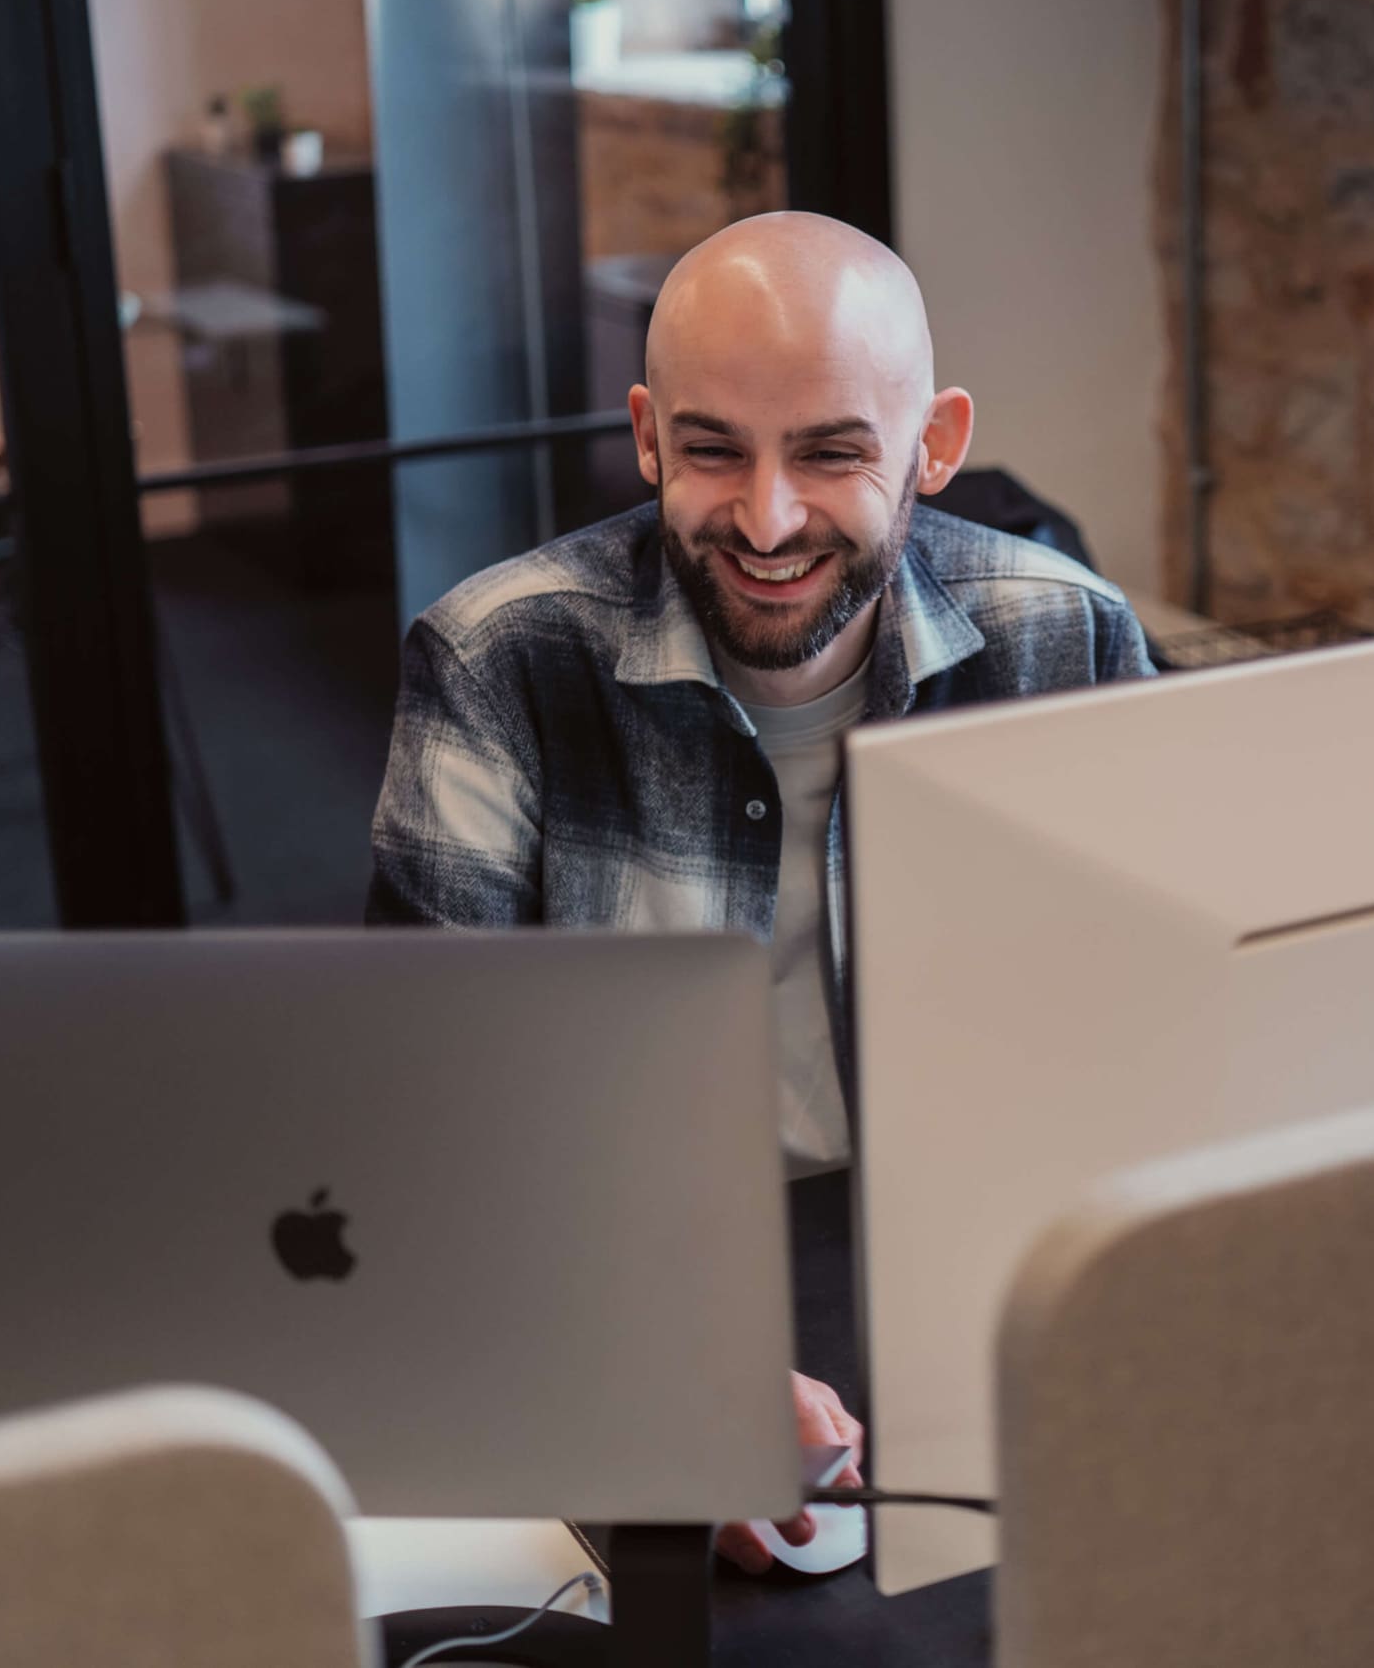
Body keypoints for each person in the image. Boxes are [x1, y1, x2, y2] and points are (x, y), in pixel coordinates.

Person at [367, 211, 1155, 1569]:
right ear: (647, 435)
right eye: (715, 449)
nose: (768, 518)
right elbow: (432, 1134)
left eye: (835, 452)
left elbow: (1167, 1049)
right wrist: (665, 1389)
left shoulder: (1068, 636)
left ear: (937, 443)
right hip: (620, 1267)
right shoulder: (496, 661)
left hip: (980, 1269)